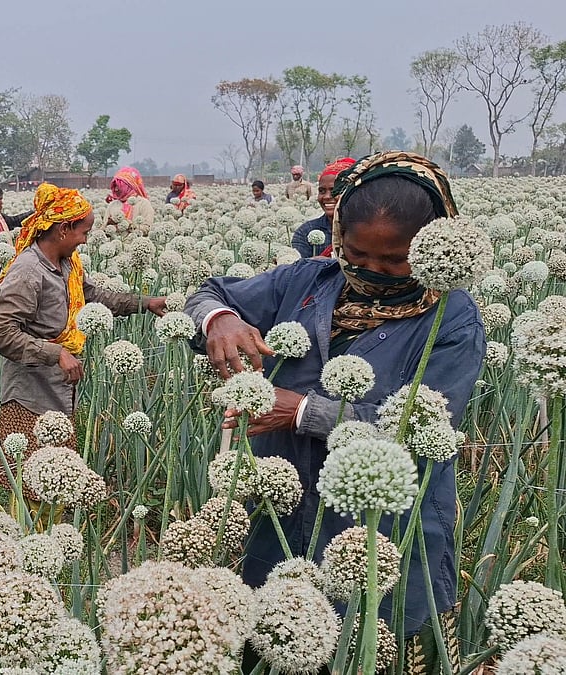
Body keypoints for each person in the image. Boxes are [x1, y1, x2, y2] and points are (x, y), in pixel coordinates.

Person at [185, 152, 483, 673]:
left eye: (395, 260)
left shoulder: (452, 319)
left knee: (364, 648)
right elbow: (207, 293)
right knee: (272, 644)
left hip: (380, 531)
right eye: (358, 252)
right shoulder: (307, 281)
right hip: (281, 518)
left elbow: (423, 427)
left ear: (435, 243)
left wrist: (301, 412)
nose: (374, 270)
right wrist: (220, 320)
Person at [0, 183, 167, 480]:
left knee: (58, 483)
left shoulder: (66, 264)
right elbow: (2, 333)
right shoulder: (29, 271)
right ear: (62, 230)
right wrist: (56, 353)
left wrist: (144, 303)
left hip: (59, 392)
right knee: (30, 487)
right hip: (29, 396)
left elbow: (93, 297)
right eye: (82, 232)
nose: (84, 241)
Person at [292, 157, 356, 258]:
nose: (326, 197)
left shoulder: (366, 232)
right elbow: (298, 270)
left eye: (334, 190)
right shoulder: (305, 232)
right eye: (322, 191)